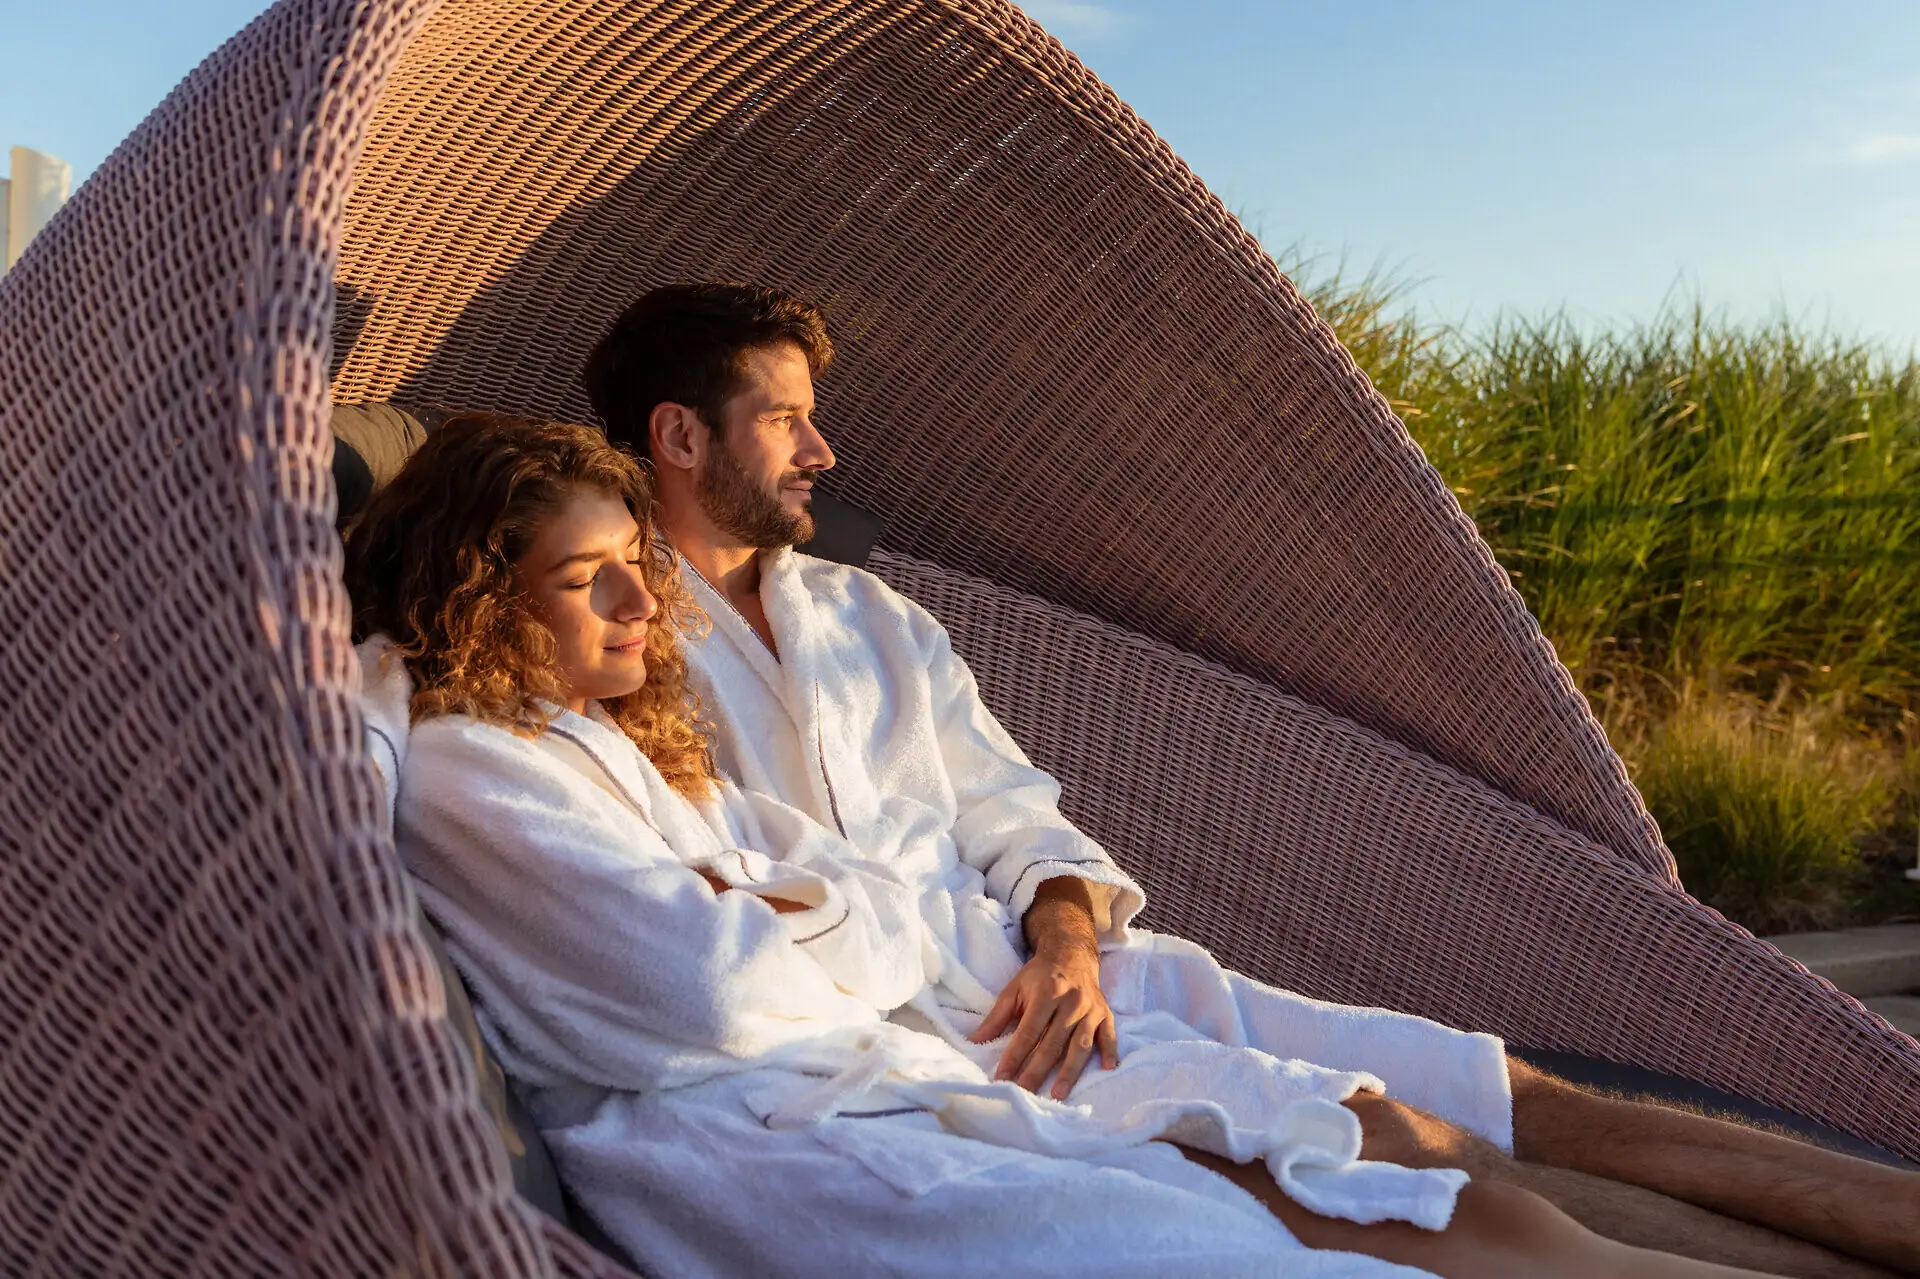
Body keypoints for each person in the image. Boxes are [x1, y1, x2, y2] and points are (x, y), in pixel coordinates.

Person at [583, 282, 1920, 1279]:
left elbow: (1010, 812)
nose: (823, 453)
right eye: (788, 421)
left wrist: (1068, 940)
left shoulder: (872, 622)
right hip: (955, 1038)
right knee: (1432, 1151)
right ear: (683, 438)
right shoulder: (608, 648)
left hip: (1083, 981)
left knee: (1532, 1101)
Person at [344, 412, 1774, 1279]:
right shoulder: (480, 773)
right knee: (1330, 1215)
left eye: (632, 578)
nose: (636, 613)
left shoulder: (732, 694)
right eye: (586, 584)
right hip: (801, 1132)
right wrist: (833, 918)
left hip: (966, 1018)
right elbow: (716, 994)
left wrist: (845, 910)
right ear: (484, 590)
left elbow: (890, 875)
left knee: (1425, 1178)